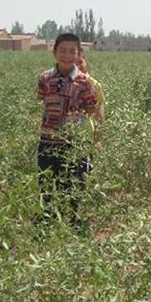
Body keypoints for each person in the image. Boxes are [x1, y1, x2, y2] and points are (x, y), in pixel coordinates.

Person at [36, 33, 98, 227]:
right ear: (54, 52)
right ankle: (47, 222)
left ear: (79, 54)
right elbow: (40, 100)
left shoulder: (85, 81)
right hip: (47, 141)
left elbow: (91, 107)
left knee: (73, 184)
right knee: (46, 184)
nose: (67, 55)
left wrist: (74, 117)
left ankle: (72, 222)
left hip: (73, 144)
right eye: (62, 50)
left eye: (72, 51)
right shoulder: (45, 78)